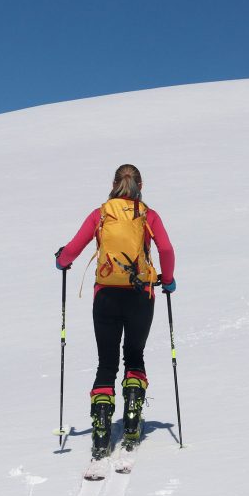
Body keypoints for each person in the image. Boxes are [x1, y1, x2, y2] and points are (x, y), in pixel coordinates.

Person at [55, 164, 175, 459]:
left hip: (106, 295)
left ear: (113, 184)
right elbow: (167, 250)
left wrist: (62, 261)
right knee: (134, 355)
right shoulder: (148, 214)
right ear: (141, 185)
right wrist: (168, 280)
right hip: (141, 295)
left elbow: (73, 249)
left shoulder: (100, 214)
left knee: (106, 363)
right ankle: (132, 420)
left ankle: (100, 432)